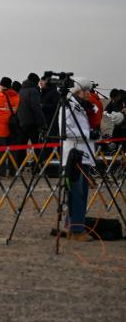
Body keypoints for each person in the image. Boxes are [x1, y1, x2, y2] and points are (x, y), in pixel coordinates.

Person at [60, 78, 98, 240]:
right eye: (85, 90)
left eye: (89, 90)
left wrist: (94, 134)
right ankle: (77, 230)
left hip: (85, 155)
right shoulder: (68, 107)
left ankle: (71, 226)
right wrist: (89, 134)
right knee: (77, 194)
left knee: (80, 193)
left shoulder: (86, 108)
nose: (88, 93)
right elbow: (65, 130)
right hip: (74, 155)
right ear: (77, 92)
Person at [16, 73, 46, 169]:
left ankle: (19, 167)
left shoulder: (21, 90)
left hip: (22, 122)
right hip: (32, 123)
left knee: (21, 146)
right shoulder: (33, 91)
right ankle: (37, 166)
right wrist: (42, 122)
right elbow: (36, 108)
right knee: (37, 146)